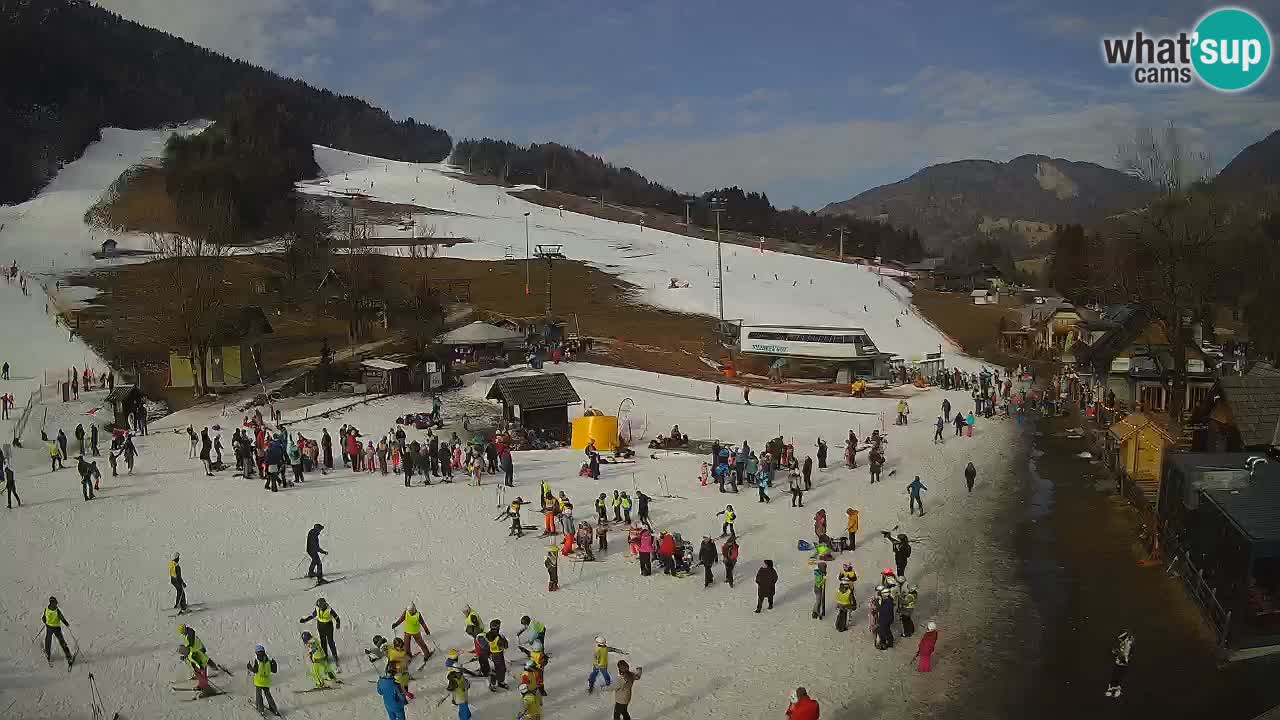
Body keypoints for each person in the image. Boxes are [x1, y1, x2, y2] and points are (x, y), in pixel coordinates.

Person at [299, 597, 342, 664]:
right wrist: (305, 620)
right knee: (323, 642)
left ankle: (335, 656)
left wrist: (338, 623)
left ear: (324, 605)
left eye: (320, 606)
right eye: (318, 606)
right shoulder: (317, 608)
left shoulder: (329, 610)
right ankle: (325, 656)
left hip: (328, 626)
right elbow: (312, 615)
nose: (319, 607)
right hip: (320, 626)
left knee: (330, 641)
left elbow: (337, 617)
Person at [248, 645, 281, 715]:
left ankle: (260, 709)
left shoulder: (257, 660)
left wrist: (249, 667)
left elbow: (255, 670)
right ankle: (274, 709)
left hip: (259, 682)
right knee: (268, 695)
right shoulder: (268, 660)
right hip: (266, 682)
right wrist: (274, 664)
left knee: (259, 696)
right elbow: (274, 671)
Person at [42, 596, 73, 667]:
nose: (56, 604)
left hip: (50, 628)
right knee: (62, 642)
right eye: (55, 603)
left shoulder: (46, 609)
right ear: (53, 603)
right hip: (56, 628)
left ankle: (48, 655)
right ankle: (69, 657)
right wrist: (66, 623)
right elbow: (62, 618)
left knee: (48, 641)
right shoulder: (56, 610)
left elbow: (43, 617)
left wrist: (44, 620)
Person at [1106, 630, 1134, 698]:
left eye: (1121, 639)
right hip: (1121, 665)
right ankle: (1114, 689)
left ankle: (1114, 689)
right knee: (1117, 676)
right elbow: (1124, 654)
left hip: (1121, 664)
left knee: (1117, 676)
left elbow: (1125, 654)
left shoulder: (1127, 644)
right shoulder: (1126, 643)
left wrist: (1118, 654)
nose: (1120, 640)